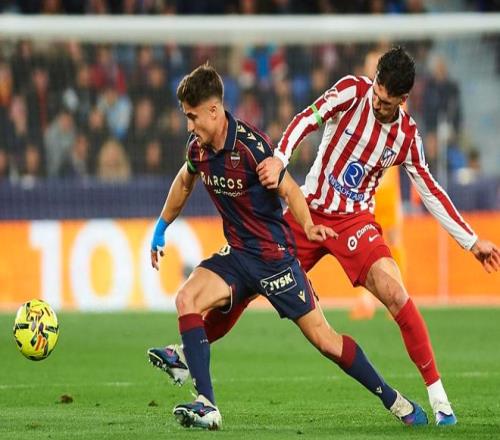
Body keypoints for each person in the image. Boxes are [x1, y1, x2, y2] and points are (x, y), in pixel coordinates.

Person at [150, 48, 499, 427]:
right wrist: (281, 158)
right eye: (376, 93)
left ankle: (438, 399)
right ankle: (190, 359)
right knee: (244, 287)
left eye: (385, 102)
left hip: (354, 222)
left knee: (394, 294)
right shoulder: (352, 91)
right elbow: (307, 119)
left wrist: (470, 241)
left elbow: (430, 190)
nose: (376, 103)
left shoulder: (406, 137)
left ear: (403, 100)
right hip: (309, 210)